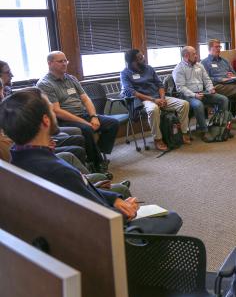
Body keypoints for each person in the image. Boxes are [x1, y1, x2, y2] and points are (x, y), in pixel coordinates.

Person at [0, 88, 182, 234]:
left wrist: (114, 199)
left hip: (78, 228)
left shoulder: (18, 159)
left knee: (120, 192)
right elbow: (98, 220)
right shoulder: (56, 171)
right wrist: (126, 210)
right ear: (46, 121)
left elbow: (82, 194)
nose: (55, 112)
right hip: (106, 240)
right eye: (51, 108)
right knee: (172, 218)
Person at [37, 51, 119, 172]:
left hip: (83, 114)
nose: (64, 64)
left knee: (113, 123)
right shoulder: (45, 84)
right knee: (86, 129)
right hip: (64, 120)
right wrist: (85, 123)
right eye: (60, 61)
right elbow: (57, 111)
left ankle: (97, 152)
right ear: (50, 63)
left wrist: (94, 116)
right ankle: (97, 164)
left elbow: (86, 99)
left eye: (65, 60)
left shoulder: (71, 79)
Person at [120, 49, 191, 151]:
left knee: (184, 104)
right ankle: (158, 139)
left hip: (159, 97)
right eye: (140, 58)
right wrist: (153, 100)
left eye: (142, 56)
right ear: (133, 62)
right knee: (153, 109)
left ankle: (183, 133)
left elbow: (159, 84)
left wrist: (162, 98)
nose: (143, 59)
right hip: (144, 100)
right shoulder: (125, 73)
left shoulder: (149, 69)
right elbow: (132, 92)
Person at [172, 46, 229, 140]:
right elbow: (180, 88)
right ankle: (204, 131)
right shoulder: (179, 69)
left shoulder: (199, 65)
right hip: (188, 96)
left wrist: (210, 88)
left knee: (223, 99)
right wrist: (194, 95)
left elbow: (207, 79)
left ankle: (219, 127)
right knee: (198, 105)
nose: (196, 56)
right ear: (186, 56)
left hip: (203, 93)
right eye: (194, 54)